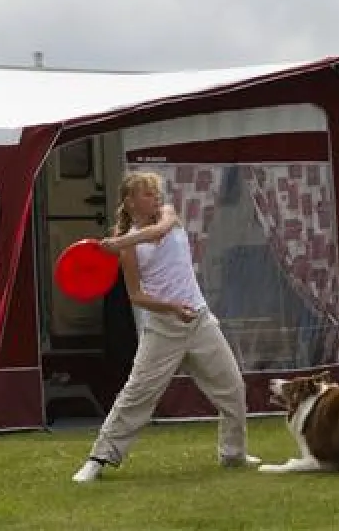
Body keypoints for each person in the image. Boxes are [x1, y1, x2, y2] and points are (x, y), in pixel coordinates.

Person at [72, 171, 260, 483]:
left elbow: (159, 230)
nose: (156, 198)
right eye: (147, 194)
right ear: (130, 201)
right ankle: (98, 458)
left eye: (156, 192)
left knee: (232, 388)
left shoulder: (167, 216)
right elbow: (137, 296)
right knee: (137, 395)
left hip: (199, 321)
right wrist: (171, 307)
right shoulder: (128, 249)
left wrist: (119, 241)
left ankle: (233, 453)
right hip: (162, 328)